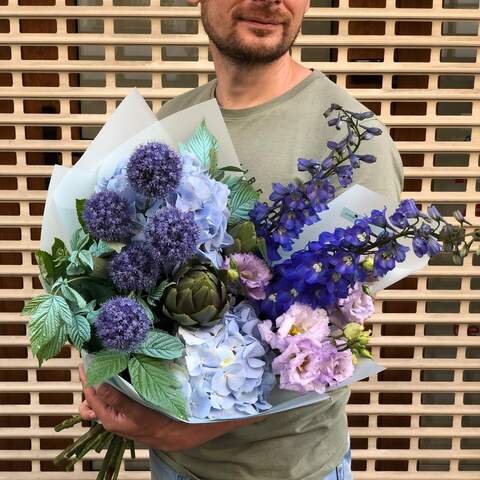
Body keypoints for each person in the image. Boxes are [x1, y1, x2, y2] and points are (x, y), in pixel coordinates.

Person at [78, 1, 404, 479]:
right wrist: (113, 382)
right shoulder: (173, 122)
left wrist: (197, 428)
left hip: (291, 469)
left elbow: (333, 336)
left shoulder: (358, 143)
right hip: (172, 465)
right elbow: (126, 273)